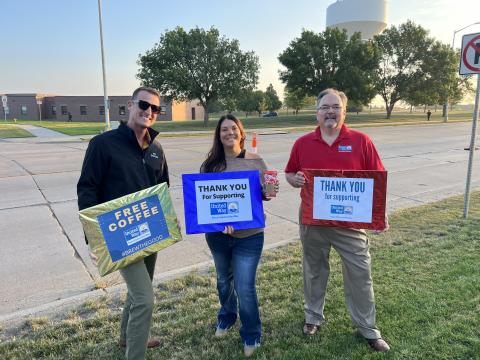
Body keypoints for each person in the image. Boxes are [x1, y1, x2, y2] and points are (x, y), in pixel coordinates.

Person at [285, 88, 390, 352]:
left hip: (350, 222)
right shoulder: (303, 143)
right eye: (324, 107)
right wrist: (294, 179)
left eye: (335, 107)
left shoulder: (361, 141)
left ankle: (368, 328)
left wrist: (379, 213)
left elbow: (377, 179)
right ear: (317, 112)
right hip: (312, 220)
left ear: (344, 111)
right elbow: (289, 172)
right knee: (314, 269)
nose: (330, 111)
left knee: (360, 272)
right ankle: (313, 318)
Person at [77, 86, 169, 360]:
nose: (149, 112)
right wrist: (93, 237)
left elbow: (162, 187)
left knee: (140, 289)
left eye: (155, 109)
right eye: (144, 105)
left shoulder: (156, 148)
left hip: (150, 231)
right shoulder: (103, 144)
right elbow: (87, 189)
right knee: (144, 298)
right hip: (118, 234)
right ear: (130, 105)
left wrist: (166, 226)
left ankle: (126, 337)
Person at [200, 114, 277, 357]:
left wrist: (270, 189)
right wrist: (220, 222)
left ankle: (252, 334)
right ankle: (227, 316)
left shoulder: (255, 161)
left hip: (250, 236)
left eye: (234, 128)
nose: (229, 133)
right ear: (218, 135)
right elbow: (205, 202)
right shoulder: (210, 165)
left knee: (244, 286)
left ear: (241, 133)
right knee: (224, 281)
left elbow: (265, 194)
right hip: (218, 235)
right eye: (224, 130)